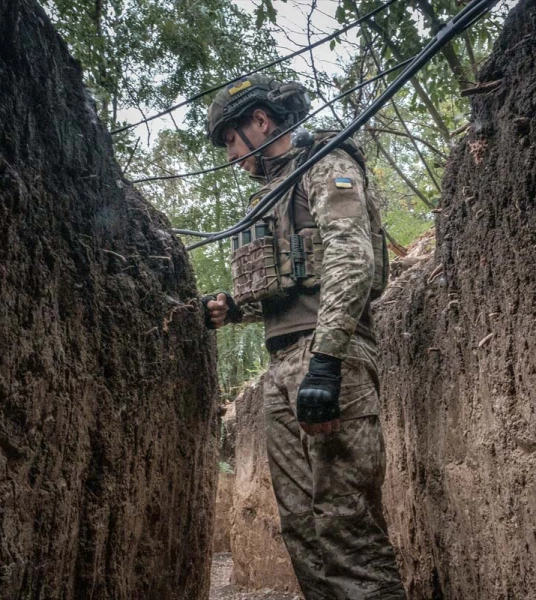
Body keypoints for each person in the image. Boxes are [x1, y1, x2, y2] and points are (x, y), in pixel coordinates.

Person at [202, 74, 406, 600]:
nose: (229, 155)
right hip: (282, 370)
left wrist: (326, 361)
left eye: (230, 138)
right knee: (303, 531)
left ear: (262, 122)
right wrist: (231, 307)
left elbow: (351, 258)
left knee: (346, 528)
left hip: (331, 359)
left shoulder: (327, 165)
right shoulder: (269, 198)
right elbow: (284, 280)